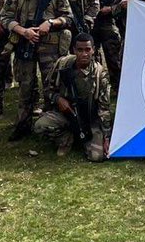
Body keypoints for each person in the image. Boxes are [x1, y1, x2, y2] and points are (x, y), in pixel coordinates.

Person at [0, 0, 73, 138]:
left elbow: (69, 17)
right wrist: (23, 31)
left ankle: (49, 124)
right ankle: (23, 124)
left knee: (51, 85)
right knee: (26, 85)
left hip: (50, 47)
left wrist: (52, 23)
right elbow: (5, 17)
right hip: (26, 44)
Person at [33, 33, 111, 161]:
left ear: (93, 50)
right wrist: (58, 99)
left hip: (89, 119)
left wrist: (106, 137)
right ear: (74, 50)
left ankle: (84, 138)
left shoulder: (100, 74)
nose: (84, 54)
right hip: (66, 114)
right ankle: (66, 139)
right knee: (40, 126)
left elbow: (104, 108)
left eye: (87, 49)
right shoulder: (62, 64)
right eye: (80, 50)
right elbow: (47, 89)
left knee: (97, 157)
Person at [88, 0, 123, 89]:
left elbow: (120, 3)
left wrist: (110, 9)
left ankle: (117, 87)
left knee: (113, 57)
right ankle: (95, 86)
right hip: (92, 23)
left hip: (108, 22)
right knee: (92, 57)